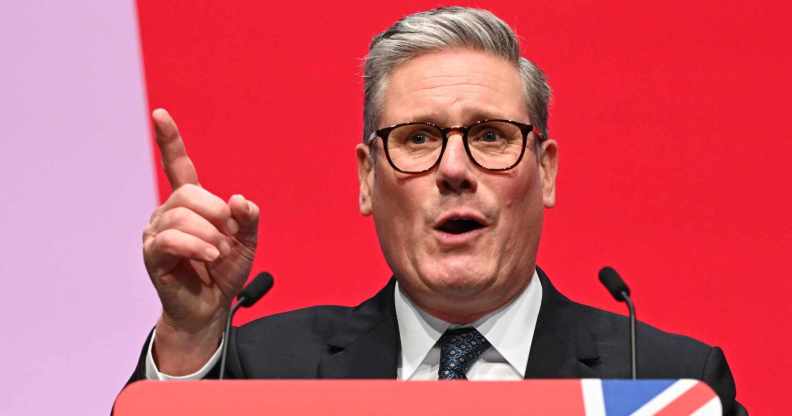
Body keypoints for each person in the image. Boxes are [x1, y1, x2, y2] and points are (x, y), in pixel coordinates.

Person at [125, 6, 746, 415]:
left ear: (546, 170)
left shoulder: (665, 387)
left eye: (491, 136)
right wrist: (189, 335)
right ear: (368, 180)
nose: (454, 170)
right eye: (418, 138)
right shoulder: (261, 376)